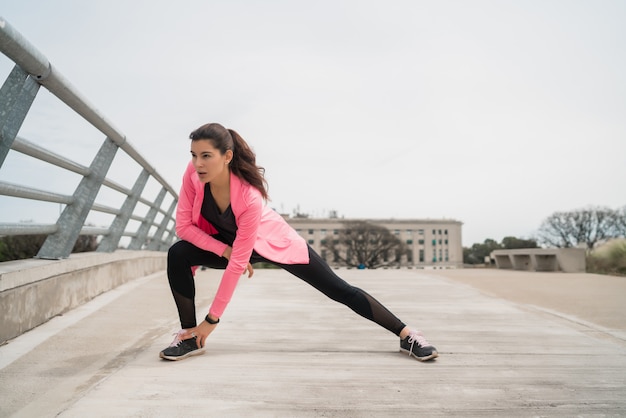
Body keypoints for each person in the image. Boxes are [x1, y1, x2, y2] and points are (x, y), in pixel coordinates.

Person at [160, 122, 438, 362]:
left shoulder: (249, 198)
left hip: (272, 242)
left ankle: (407, 335)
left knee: (339, 290)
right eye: (194, 155)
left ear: (227, 156)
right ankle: (189, 337)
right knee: (178, 254)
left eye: (206, 156)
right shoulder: (193, 175)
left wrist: (211, 321)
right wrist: (223, 248)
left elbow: (236, 267)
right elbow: (183, 227)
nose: (198, 163)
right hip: (227, 243)